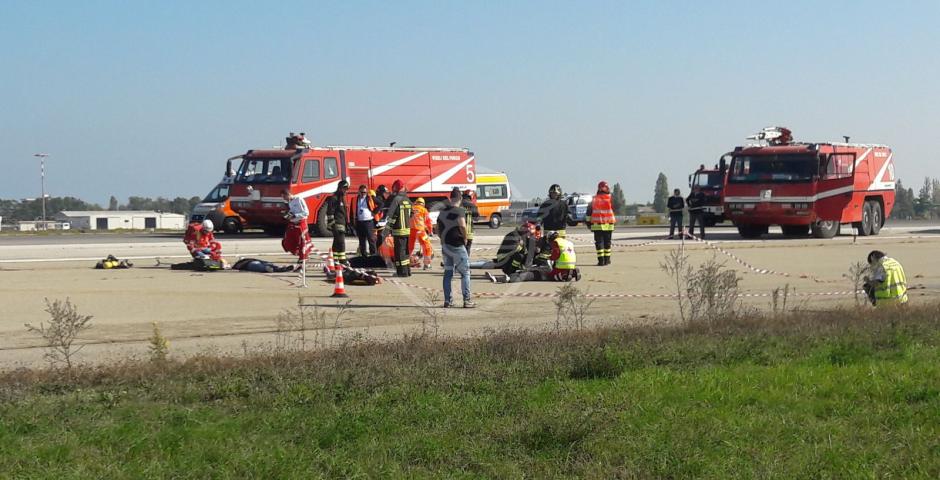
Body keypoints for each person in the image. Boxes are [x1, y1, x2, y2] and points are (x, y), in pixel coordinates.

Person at [488, 231, 580, 283]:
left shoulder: (555, 243)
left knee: (529, 274)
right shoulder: (567, 242)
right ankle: (571, 272)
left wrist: (548, 258)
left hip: (552, 269)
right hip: (567, 266)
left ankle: (507, 278)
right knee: (532, 272)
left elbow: (555, 255)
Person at [437, 189, 474, 307]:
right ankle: (467, 300)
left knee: (448, 273)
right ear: (460, 199)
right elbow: (462, 225)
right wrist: (465, 237)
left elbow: (437, 227)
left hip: (446, 245)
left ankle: (448, 301)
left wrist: (441, 238)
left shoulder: (442, 211)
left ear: (450, 198)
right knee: (465, 273)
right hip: (457, 245)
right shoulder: (459, 210)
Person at [383, 180, 413, 277]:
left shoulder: (396, 200)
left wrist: (387, 229)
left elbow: (393, 216)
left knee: (399, 253)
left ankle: (401, 272)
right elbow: (412, 213)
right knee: (406, 251)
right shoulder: (407, 199)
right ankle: (407, 271)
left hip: (398, 230)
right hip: (407, 230)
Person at [536, 184, 569, 264]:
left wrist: (569, 219)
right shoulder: (545, 204)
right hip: (548, 233)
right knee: (547, 251)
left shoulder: (564, 204)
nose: (554, 195)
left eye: (555, 193)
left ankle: (559, 265)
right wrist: (538, 224)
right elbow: (539, 216)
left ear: (559, 194)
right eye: (552, 193)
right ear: (550, 194)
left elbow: (568, 215)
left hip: (560, 233)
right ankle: (546, 265)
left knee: (560, 250)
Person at [586, 181, 616, 266]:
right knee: (607, 243)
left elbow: (588, 212)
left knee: (599, 243)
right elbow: (615, 208)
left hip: (597, 225)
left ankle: (601, 261)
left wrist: (588, 223)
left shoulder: (594, 199)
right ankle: (607, 260)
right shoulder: (610, 198)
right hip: (609, 224)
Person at [281, 189, 311, 263]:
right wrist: (287, 214)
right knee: (288, 240)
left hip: (301, 223)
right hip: (293, 223)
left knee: (302, 242)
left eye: (284, 197)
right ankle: (297, 252)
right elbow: (292, 211)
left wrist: (295, 215)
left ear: (288, 194)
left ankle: (303, 258)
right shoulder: (290, 202)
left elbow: (306, 212)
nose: (284, 199)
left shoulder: (298, 199)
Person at [326, 180, 350, 265]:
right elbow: (330, 213)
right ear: (340, 188)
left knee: (337, 242)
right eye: (344, 189)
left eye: (347, 189)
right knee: (341, 242)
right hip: (337, 224)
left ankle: (335, 259)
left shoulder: (342, 199)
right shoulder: (334, 198)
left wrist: (348, 223)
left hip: (342, 224)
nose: (346, 191)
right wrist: (332, 225)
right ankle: (342, 260)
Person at [409, 197, 434, 270]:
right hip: (420, 231)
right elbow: (428, 222)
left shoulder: (411, 208)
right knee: (427, 247)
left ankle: (407, 263)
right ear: (423, 204)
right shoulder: (423, 210)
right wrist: (430, 231)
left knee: (409, 247)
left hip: (410, 230)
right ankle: (427, 264)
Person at [354, 184, 379, 257]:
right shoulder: (356, 199)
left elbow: (381, 204)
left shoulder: (370, 198)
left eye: (364, 192)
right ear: (359, 192)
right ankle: (364, 256)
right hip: (360, 222)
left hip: (368, 222)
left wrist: (374, 212)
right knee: (362, 241)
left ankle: (373, 256)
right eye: (361, 192)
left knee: (371, 240)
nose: (363, 194)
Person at [461, 189, 479, 254]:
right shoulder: (473, 205)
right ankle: (466, 259)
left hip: (460, 231)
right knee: (468, 248)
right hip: (469, 231)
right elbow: (476, 218)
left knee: (460, 249)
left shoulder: (459, 205)